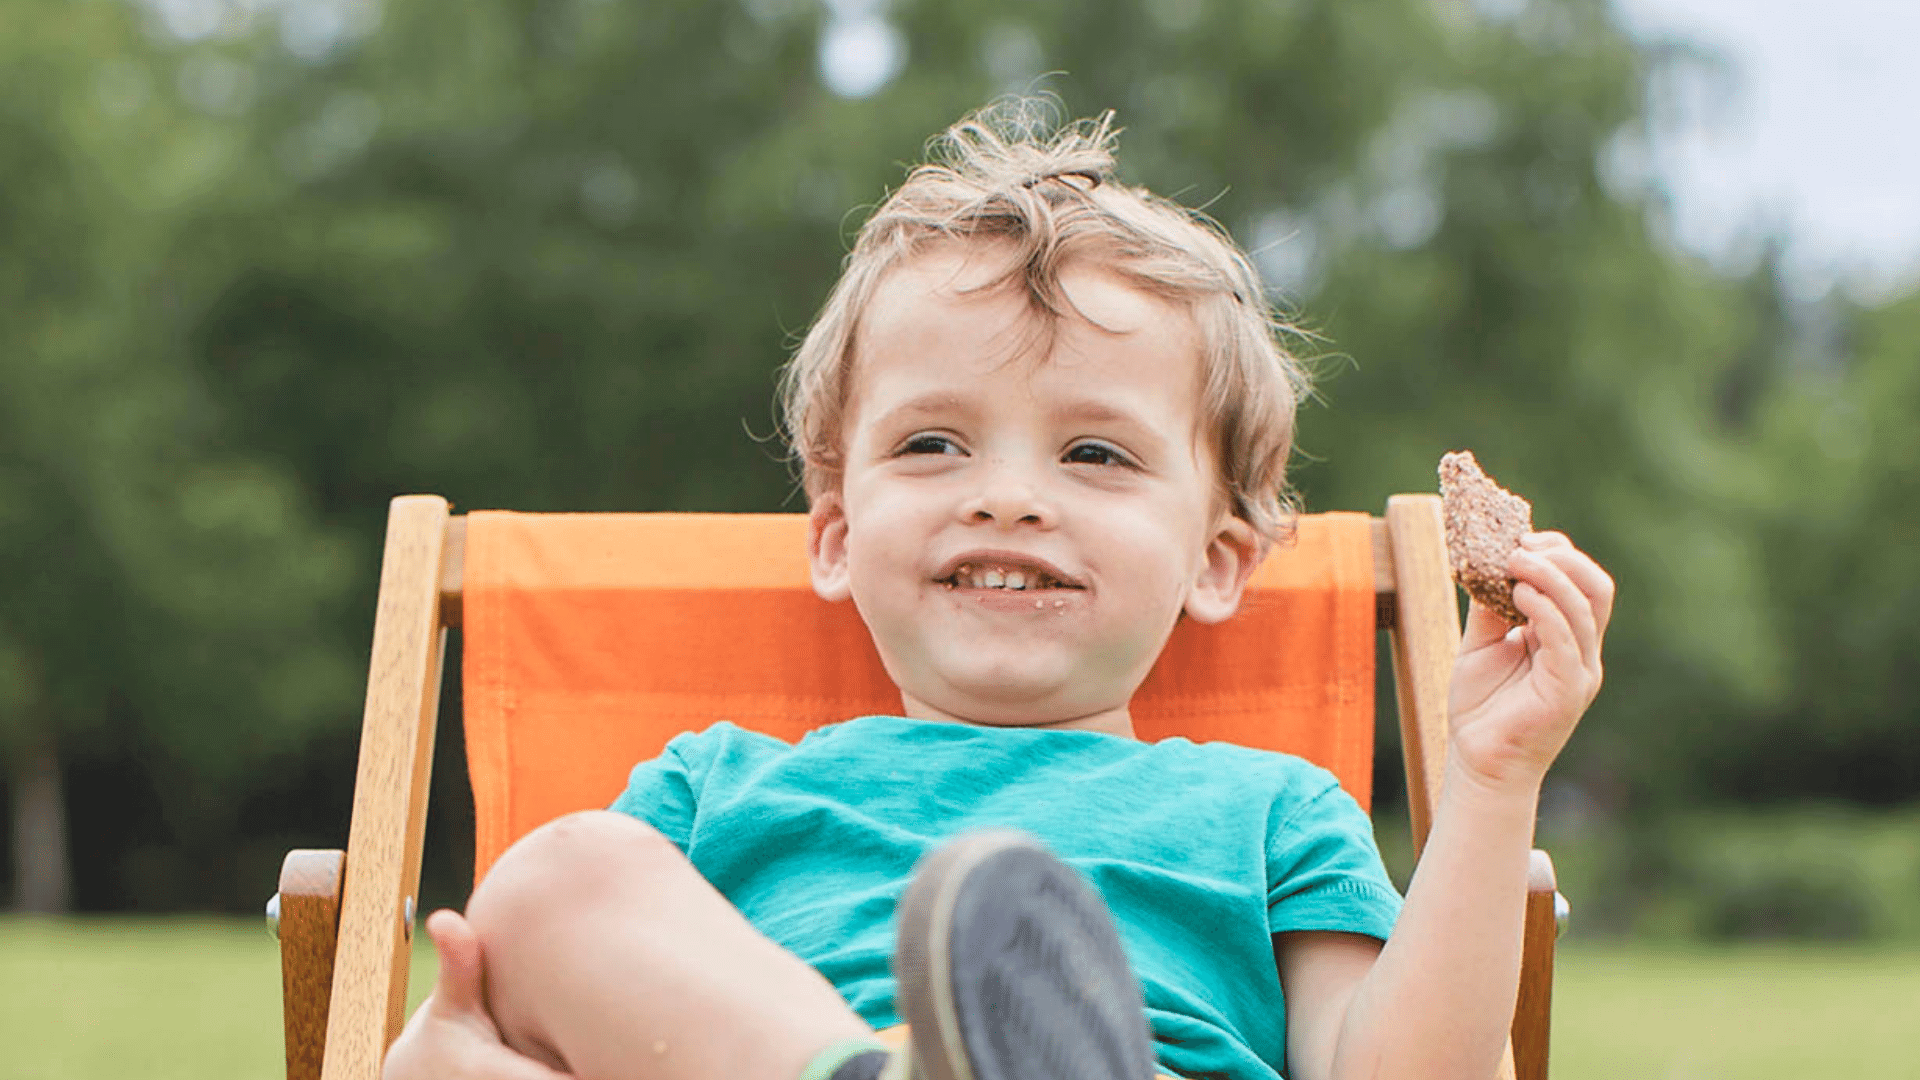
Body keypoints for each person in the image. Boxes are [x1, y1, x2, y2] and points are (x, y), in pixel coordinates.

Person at [382, 104, 1613, 1080]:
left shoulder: (1269, 814)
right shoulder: (716, 793)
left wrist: (1492, 780)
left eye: (1094, 454)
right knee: (559, 873)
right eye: (932, 445)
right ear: (836, 535)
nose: (1009, 498)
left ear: (1217, 559)